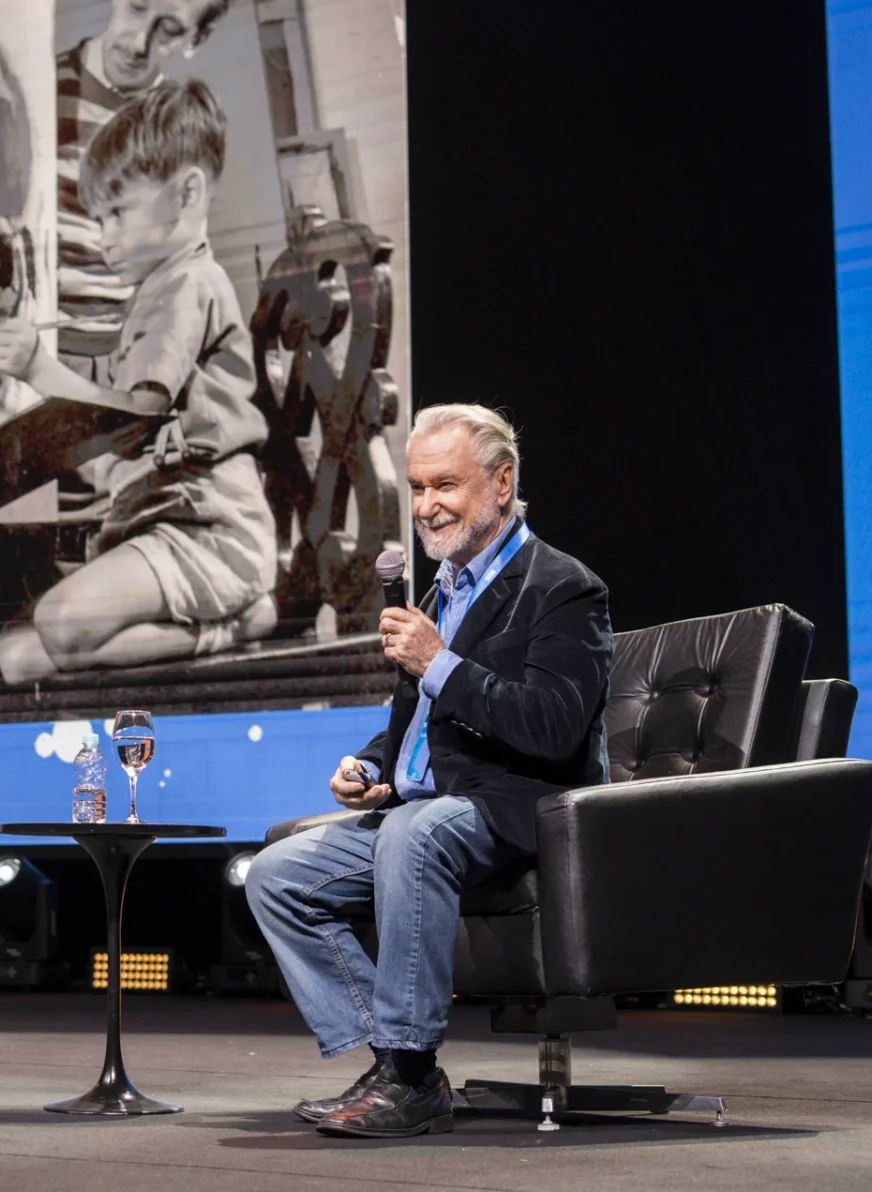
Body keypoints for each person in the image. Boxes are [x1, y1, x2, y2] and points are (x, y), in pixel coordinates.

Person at [243, 403, 612, 1139]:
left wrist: (438, 662)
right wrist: (372, 763)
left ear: (501, 485)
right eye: (416, 488)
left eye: (445, 485)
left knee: (414, 832)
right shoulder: (445, 586)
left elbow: (553, 725)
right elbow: (421, 720)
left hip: (517, 808)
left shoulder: (562, 588)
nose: (425, 506)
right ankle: (393, 1063)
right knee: (274, 877)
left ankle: (409, 1074)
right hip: (425, 806)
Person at [0, 80, 276, 682]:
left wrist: (41, 369)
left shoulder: (183, 286)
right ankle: (226, 624)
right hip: (160, 530)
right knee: (16, 654)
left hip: (208, 532)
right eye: (98, 218)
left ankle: (235, 625)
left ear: (188, 193)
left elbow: (133, 416)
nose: (104, 235)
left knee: (60, 626)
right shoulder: (159, 292)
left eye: (118, 212)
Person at [55, 0, 240, 518]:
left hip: (129, 386)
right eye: (136, 6)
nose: (136, 42)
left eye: (167, 29)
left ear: (195, 40)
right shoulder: (30, 90)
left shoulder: (180, 141)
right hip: (30, 374)